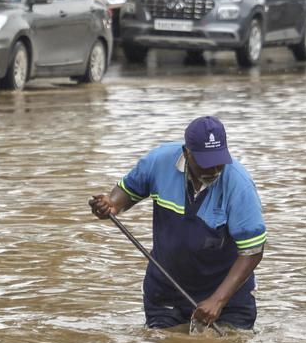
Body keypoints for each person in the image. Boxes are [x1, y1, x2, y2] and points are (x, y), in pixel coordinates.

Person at [89, 116, 267, 330]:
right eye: (205, 164)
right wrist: (111, 205)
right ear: (186, 153)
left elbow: (253, 250)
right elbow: (125, 193)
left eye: (218, 162)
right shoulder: (159, 162)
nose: (213, 171)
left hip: (227, 296)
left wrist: (218, 300)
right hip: (167, 289)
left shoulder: (239, 184)